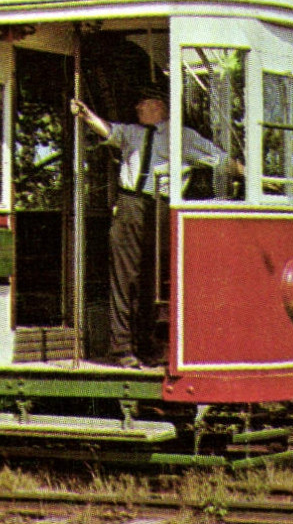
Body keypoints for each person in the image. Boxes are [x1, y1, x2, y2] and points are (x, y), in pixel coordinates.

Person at [71, 89, 243, 368]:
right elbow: (107, 130)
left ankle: (147, 346)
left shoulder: (182, 136)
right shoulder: (131, 132)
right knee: (123, 276)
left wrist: (256, 177)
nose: (137, 106)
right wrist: (86, 114)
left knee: (151, 280)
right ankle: (121, 348)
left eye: (142, 102)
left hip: (161, 208)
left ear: (158, 106)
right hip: (130, 204)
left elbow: (220, 160)